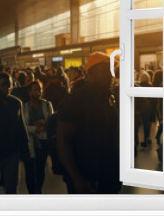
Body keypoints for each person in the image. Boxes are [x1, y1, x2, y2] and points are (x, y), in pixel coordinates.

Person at [57, 52, 121, 194]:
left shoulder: (109, 98)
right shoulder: (76, 101)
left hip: (109, 177)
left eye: (112, 71)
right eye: (105, 70)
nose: (110, 75)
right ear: (90, 74)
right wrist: (76, 179)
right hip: (88, 180)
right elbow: (63, 141)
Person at [23, 81, 54, 194]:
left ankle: (38, 191)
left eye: (40, 89)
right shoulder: (25, 107)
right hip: (30, 142)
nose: (38, 92)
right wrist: (34, 128)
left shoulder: (47, 105)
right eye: (35, 89)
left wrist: (44, 123)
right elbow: (24, 125)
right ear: (30, 92)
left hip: (43, 141)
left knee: (40, 169)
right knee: (30, 169)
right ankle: (31, 192)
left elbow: (52, 121)